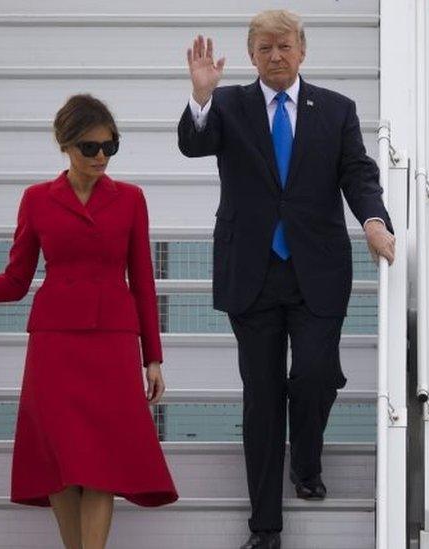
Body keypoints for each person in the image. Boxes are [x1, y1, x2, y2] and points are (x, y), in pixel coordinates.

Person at [0, 94, 178, 548]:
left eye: (110, 147)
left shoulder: (132, 199)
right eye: (90, 148)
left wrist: (152, 358)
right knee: (58, 457)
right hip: (55, 344)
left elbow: (143, 281)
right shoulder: (37, 200)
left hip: (113, 343)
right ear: (65, 145)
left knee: (102, 461)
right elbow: (16, 280)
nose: (101, 157)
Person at [177, 10, 395, 549]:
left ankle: (306, 459)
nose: (276, 56)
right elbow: (193, 144)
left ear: (303, 50)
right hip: (251, 272)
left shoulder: (337, 110)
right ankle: (266, 527)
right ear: (251, 56)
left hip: (316, 269)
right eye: (265, 48)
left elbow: (357, 174)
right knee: (263, 396)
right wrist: (202, 98)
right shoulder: (228, 105)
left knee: (317, 376)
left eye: (285, 46)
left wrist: (373, 221)